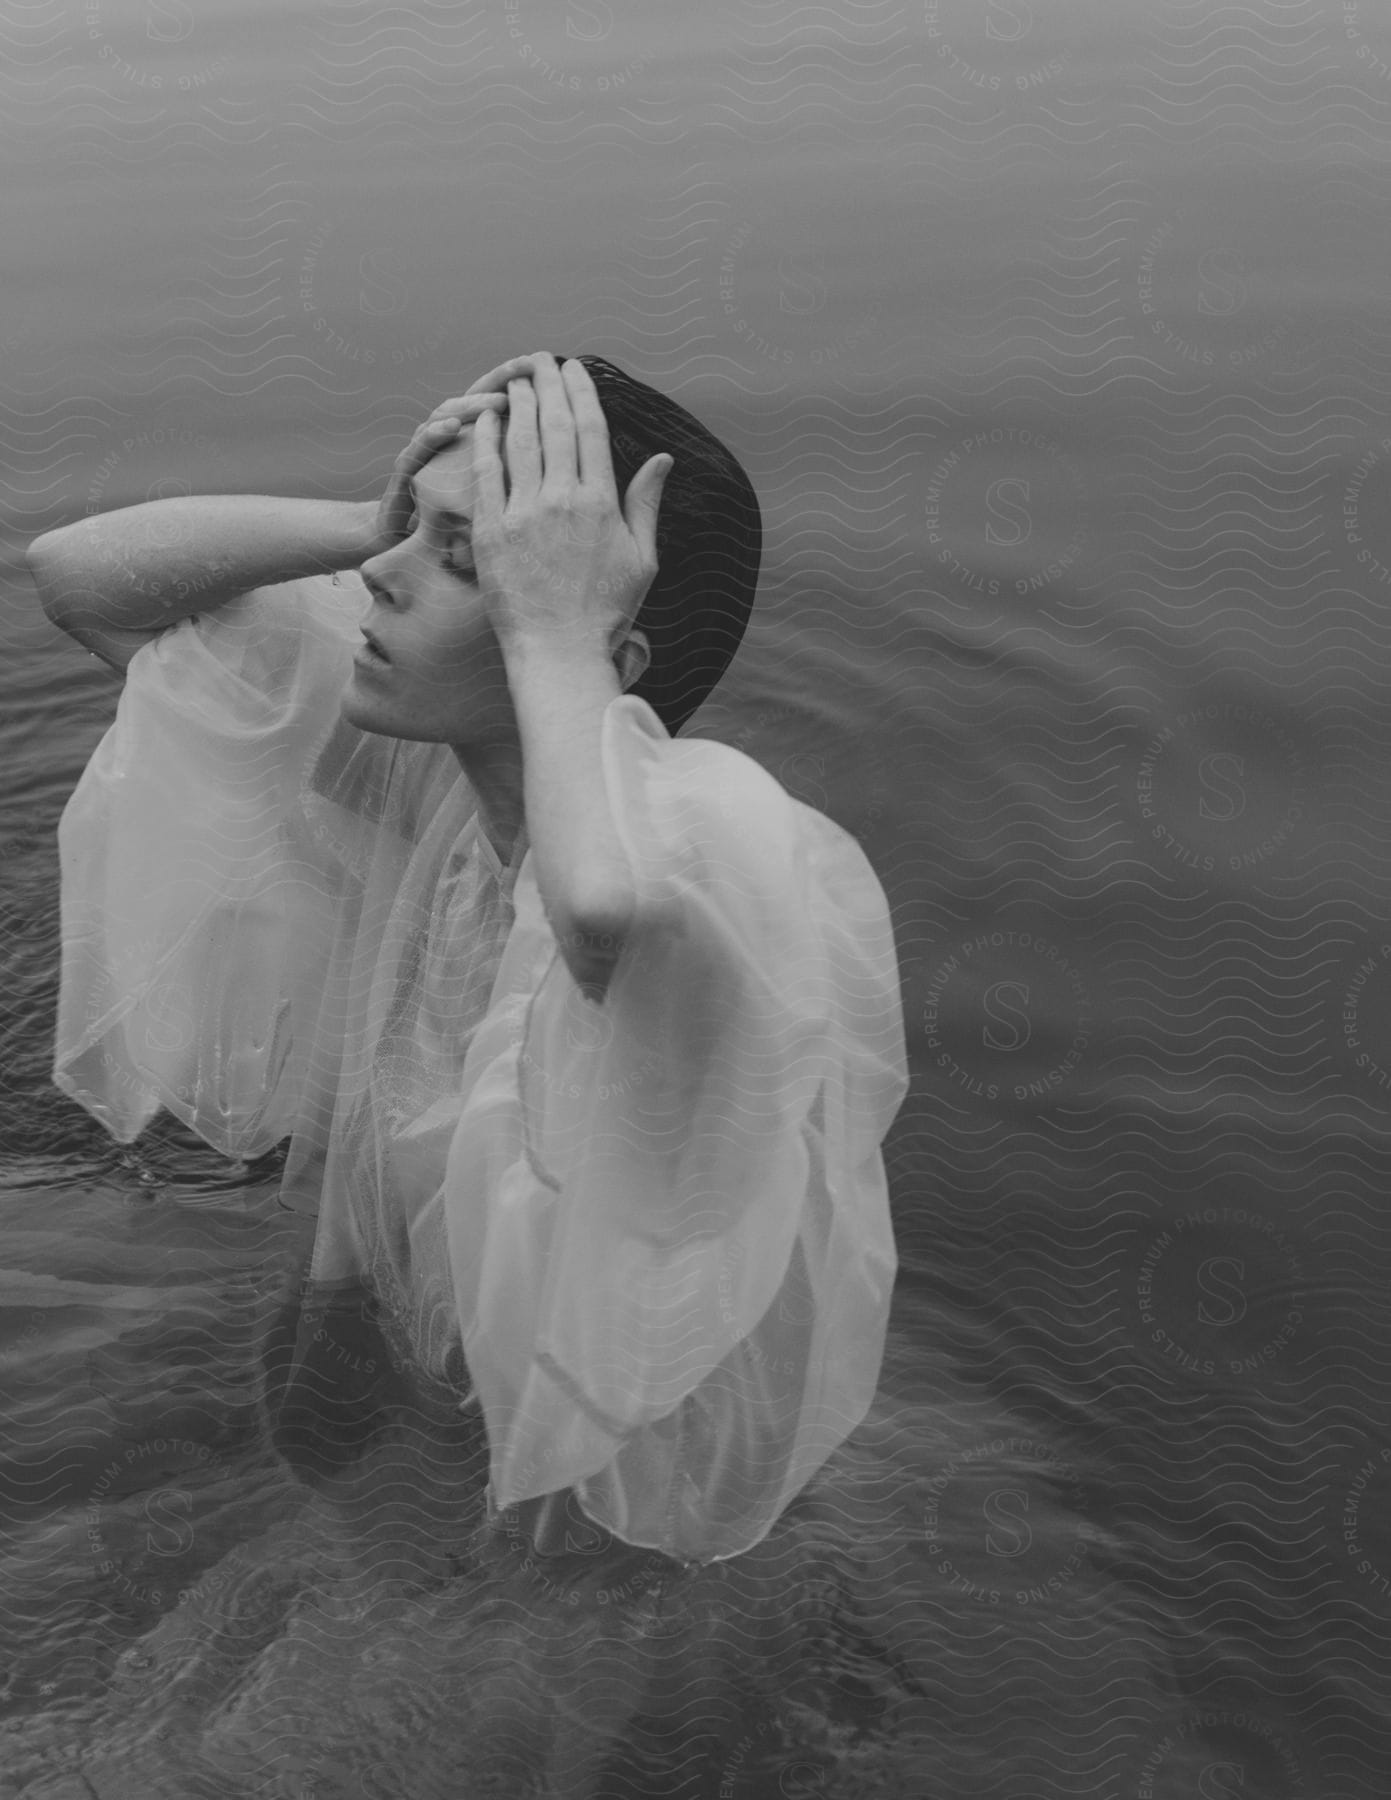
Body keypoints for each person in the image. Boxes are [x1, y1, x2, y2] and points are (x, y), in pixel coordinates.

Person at [30, 352, 908, 1568]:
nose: (372, 583)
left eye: (457, 564)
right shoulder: (427, 789)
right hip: (388, 1383)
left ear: (596, 649)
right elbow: (81, 580)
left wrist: (554, 634)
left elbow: (599, 910)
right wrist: (374, 517)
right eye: (417, 537)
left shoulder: (709, 847)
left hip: (588, 1516)